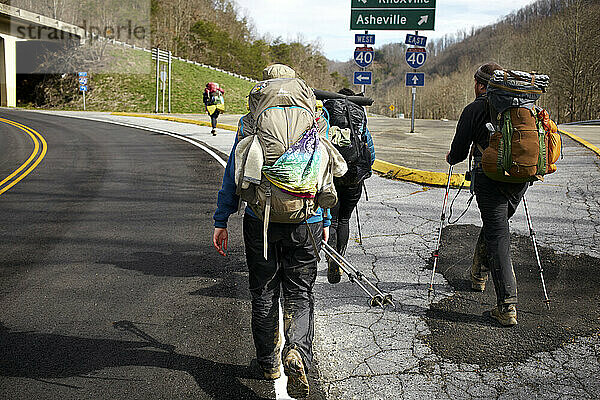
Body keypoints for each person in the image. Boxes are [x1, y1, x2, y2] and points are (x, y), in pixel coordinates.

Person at [212, 64, 339, 399]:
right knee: (300, 293)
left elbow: (234, 172)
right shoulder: (316, 116)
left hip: (261, 218)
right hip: (306, 220)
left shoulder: (250, 120)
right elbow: (322, 170)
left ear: (264, 86)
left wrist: (222, 219)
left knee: (264, 292)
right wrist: (325, 220)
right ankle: (297, 350)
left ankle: (268, 363)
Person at [446, 62, 528, 327]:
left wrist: (451, 157)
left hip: (489, 178)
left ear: (480, 85)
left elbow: (457, 153)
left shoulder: (475, 108)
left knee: (498, 232)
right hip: (520, 179)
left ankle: (507, 306)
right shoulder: (522, 107)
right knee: (497, 225)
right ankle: (478, 276)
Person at [325, 88, 376, 284]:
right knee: (345, 219)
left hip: (332, 177)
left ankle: (331, 256)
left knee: (333, 219)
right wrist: (366, 172)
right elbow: (369, 151)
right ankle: (339, 259)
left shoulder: (328, 117)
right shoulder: (359, 121)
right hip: (354, 178)